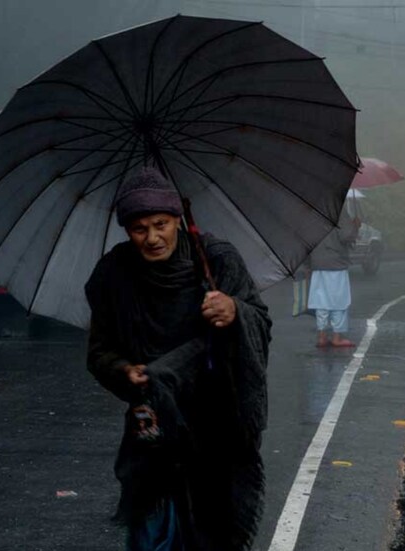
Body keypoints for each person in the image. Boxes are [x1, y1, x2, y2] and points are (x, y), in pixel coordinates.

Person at [84, 166, 272, 551]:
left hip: (216, 418)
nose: (152, 238)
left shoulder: (217, 260)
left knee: (213, 529)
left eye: (161, 224)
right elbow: (99, 350)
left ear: (178, 220)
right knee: (153, 532)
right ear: (127, 230)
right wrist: (124, 370)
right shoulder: (113, 274)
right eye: (140, 228)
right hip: (155, 421)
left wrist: (234, 310)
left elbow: (261, 321)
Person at [307, 207, 361, 348]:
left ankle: (322, 336)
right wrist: (355, 226)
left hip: (317, 262)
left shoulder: (312, 209)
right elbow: (346, 236)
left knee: (321, 300)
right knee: (339, 301)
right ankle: (337, 337)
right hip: (335, 262)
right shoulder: (338, 209)